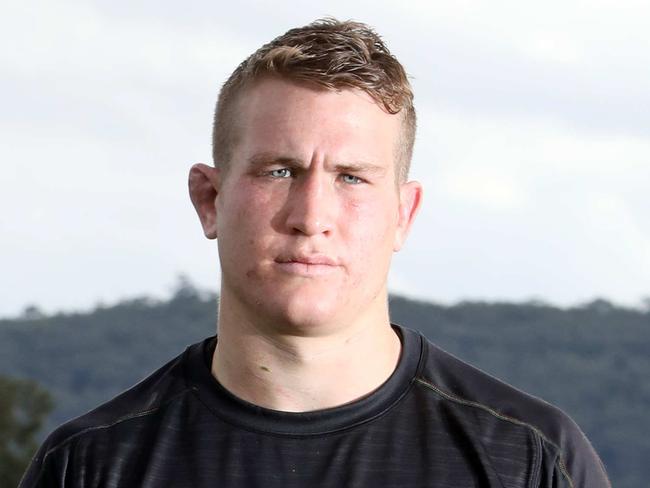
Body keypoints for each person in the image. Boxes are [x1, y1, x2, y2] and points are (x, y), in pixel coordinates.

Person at [20, 18, 610, 487]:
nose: (311, 217)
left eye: (352, 177)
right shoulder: (91, 466)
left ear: (403, 213)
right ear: (210, 198)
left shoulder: (530, 459)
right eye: (280, 171)